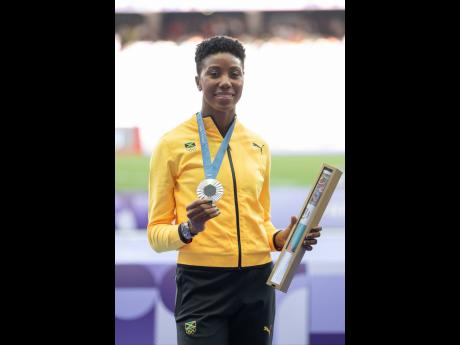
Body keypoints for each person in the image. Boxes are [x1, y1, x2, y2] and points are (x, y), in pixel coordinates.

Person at [147, 35, 322, 345]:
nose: (225, 81)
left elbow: (261, 221)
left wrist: (281, 239)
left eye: (234, 73)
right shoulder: (171, 145)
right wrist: (188, 229)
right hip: (202, 284)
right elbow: (156, 234)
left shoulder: (258, 146)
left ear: (244, 79)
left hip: (257, 281)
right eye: (214, 73)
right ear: (198, 81)